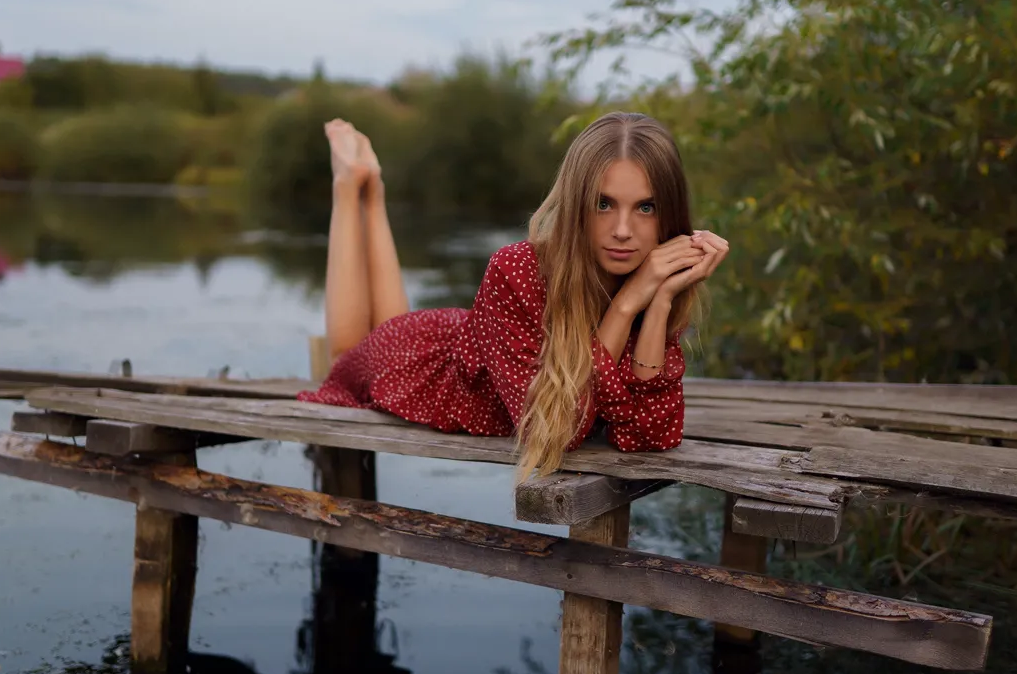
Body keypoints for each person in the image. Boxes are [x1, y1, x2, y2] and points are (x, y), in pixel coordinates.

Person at [297, 111, 729, 478]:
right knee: (346, 358)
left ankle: (372, 193)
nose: (621, 229)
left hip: (472, 341)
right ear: (576, 203)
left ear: (668, 215)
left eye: (645, 207)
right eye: (603, 204)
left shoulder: (652, 274)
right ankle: (350, 187)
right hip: (423, 368)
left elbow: (653, 434)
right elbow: (556, 434)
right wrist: (628, 303)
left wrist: (659, 303)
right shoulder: (516, 268)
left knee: (381, 329)